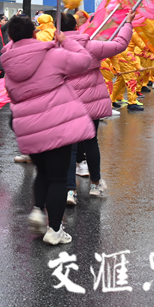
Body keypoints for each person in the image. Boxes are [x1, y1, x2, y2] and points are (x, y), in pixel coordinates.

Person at [1, 15, 95, 245]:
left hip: (28, 128)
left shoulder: (9, 62)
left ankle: (36, 210)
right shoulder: (53, 54)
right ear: (34, 33)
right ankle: (54, 230)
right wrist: (67, 41)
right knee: (58, 178)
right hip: (57, 124)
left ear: (11, 37)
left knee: (42, 171)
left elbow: (12, 94)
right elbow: (86, 61)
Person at [60, 12, 133, 205]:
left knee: (70, 148)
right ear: (76, 27)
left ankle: (69, 191)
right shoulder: (90, 45)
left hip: (67, 103)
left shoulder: (54, 49)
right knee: (91, 143)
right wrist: (127, 23)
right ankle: (95, 184)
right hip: (91, 102)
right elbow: (120, 44)